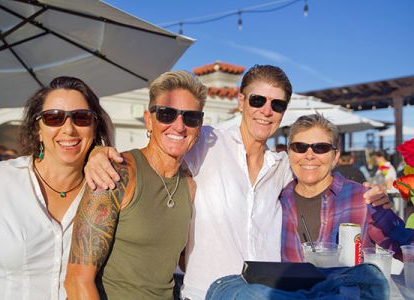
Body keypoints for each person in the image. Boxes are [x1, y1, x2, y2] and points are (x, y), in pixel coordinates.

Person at [83, 65, 390, 299]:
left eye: (277, 104)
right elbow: (163, 145)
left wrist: (370, 192)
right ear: (241, 102)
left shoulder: (282, 165)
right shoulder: (206, 139)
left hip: (268, 291)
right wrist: (101, 154)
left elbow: (318, 167)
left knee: (368, 280)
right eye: (258, 100)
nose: (266, 111)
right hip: (208, 292)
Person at [0, 76, 113, 299]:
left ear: (94, 127)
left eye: (81, 117)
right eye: (54, 118)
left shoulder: (107, 188)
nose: (69, 129)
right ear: (38, 129)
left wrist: (101, 152)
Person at [64, 71, 206, 299]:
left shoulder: (189, 185)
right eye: (167, 114)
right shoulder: (117, 173)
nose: (179, 126)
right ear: (149, 120)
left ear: (199, 127)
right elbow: (77, 281)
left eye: (191, 118)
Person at [280, 114, 414, 262]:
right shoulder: (276, 200)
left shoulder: (363, 199)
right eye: (300, 147)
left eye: (321, 147)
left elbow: (407, 245)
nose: (309, 155)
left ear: (335, 156)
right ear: (289, 153)